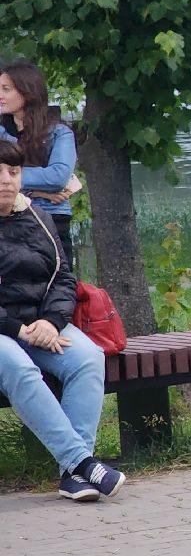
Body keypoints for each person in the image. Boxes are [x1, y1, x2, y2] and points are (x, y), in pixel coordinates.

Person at [0, 142, 121, 501]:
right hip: (8, 332)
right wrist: (19, 330)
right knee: (20, 368)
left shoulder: (37, 216)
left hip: (41, 325)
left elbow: (63, 277)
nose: (7, 180)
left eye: (14, 171)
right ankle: (81, 463)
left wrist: (52, 321)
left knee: (87, 358)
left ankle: (72, 476)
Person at [0, 61, 79, 272]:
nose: (0, 95)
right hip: (8, 217)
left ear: (28, 92)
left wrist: (14, 181)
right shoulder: (1, 132)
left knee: (57, 282)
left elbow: (58, 176)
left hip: (52, 218)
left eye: (6, 89)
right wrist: (39, 191)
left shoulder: (60, 132)